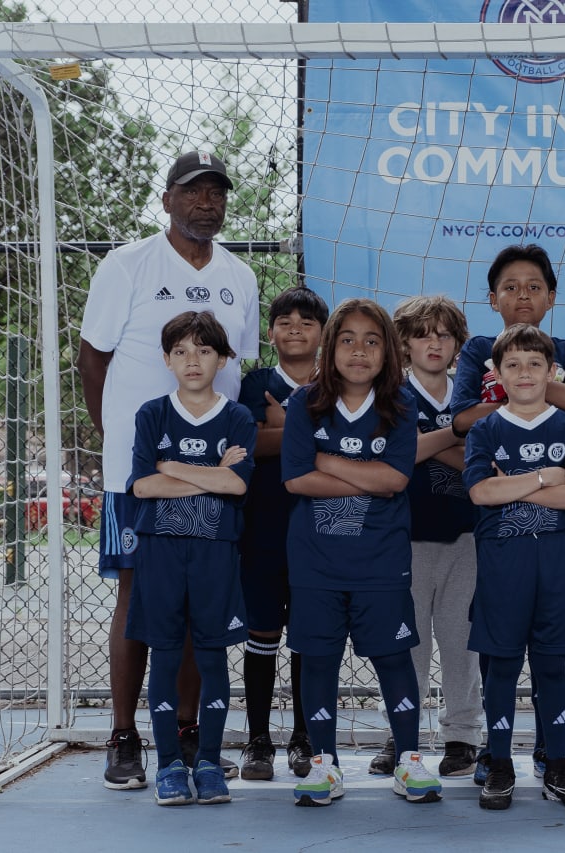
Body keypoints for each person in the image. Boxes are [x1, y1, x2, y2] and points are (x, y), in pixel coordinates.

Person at [77, 150, 258, 789]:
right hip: (144, 475)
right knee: (139, 597)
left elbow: (239, 371)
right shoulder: (126, 265)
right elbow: (92, 361)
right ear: (168, 199)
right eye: (193, 191)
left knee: (197, 601)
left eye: (216, 192)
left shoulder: (241, 276)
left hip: (215, 477)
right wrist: (120, 438)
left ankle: (186, 736)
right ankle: (124, 737)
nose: (206, 202)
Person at [448, 243, 565, 783]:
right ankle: (500, 759)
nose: (525, 373)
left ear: (552, 369)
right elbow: (480, 494)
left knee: (552, 668)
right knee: (501, 667)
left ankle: (556, 761)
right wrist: (541, 480)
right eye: (513, 365)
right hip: (501, 566)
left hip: (557, 566)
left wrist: (509, 486)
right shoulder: (487, 428)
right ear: (497, 372)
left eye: (536, 364)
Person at [281, 298, 443, 807]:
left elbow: (395, 479)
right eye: (347, 339)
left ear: (388, 352)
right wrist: (360, 479)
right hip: (316, 562)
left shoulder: (400, 406)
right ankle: (324, 764)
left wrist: (328, 460)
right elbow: (295, 478)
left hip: (381, 562)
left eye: (372, 341)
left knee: (395, 657)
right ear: (330, 349)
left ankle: (409, 760)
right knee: (320, 659)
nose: (359, 350)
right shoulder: (304, 404)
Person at [125, 311, 256, 806]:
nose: (192, 360)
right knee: (164, 654)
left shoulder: (238, 416)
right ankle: (169, 766)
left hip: (215, 554)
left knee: (211, 654)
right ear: (166, 360)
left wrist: (173, 465)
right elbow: (143, 484)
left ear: (222, 358)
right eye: (180, 351)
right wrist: (209, 472)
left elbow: (236, 484)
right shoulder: (152, 413)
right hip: (160, 552)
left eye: (203, 350)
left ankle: (208, 761)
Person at [366, 296, 483, 779]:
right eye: (422, 333)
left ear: (457, 343)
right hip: (405, 539)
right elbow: (397, 457)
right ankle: (404, 732)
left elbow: (480, 462)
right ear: (403, 343)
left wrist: (427, 444)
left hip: (467, 537)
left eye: (444, 334)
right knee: (406, 644)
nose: (433, 342)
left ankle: (462, 737)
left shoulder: (467, 395)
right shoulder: (390, 394)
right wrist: (452, 437)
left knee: (462, 643)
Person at [236, 286, 329, 781]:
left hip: (321, 526)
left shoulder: (336, 382)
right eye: (285, 320)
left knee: (308, 634)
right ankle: (257, 741)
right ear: (269, 333)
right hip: (264, 525)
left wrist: (285, 423)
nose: (296, 327)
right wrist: (305, 427)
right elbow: (245, 443)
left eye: (307, 321)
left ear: (323, 333)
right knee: (262, 632)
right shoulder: (254, 383)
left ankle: (304, 738)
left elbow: (343, 443)